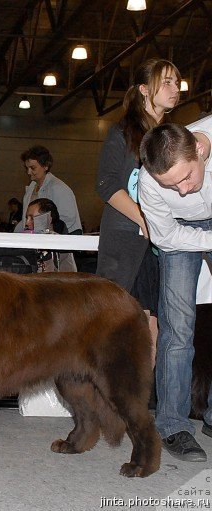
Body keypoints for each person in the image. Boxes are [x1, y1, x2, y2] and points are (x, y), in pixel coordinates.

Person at [95, 58, 181, 367]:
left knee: (156, 321)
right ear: (144, 89)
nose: (175, 89)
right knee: (114, 321)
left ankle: (144, 398)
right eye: (166, 82)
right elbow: (106, 185)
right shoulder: (122, 131)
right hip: (124, 235)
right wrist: (144, 219)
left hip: (161, 242)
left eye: (176, 82)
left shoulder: (173, 134)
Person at [138, 118, 212, 462]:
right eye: (171, 185)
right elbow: (165, 237)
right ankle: (172, 425)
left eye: (185, 178)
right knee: (178, 329)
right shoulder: (151, 185)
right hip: (179, 234)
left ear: (199, 150)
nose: (181, 191)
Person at [20, 145, 82, 235]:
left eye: (33, 168)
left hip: (63, 239)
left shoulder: (59, 188)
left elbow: (68, 218)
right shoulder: (31, 188)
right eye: (27, 168)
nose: (28, 172)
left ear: (45, 166)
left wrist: (48, 235)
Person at [24, 198, 77, 272]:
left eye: (32, 218)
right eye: (27, 218)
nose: (27, 223)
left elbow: (70, 276)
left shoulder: (60, 244)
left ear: (48, 218)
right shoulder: (25, 241)